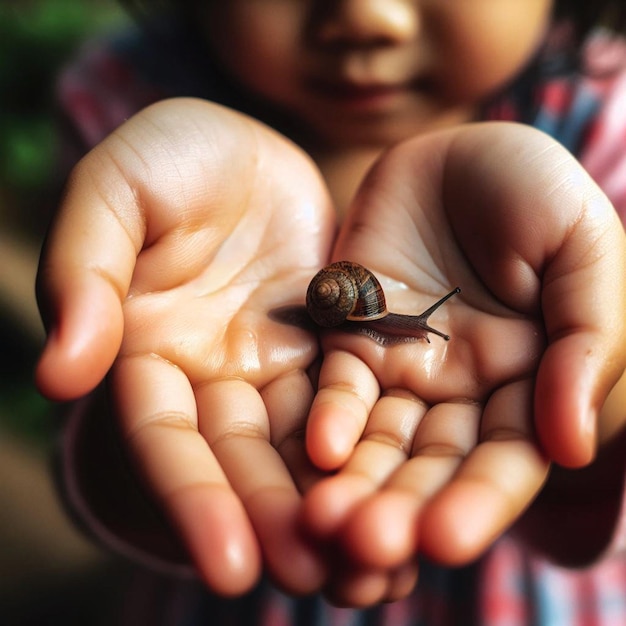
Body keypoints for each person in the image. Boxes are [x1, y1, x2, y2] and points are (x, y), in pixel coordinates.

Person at [35, 1, 626, 623]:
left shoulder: (601, 121)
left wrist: (586, 378)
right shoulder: (127, 100)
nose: (368, 17)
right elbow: (107, 471)